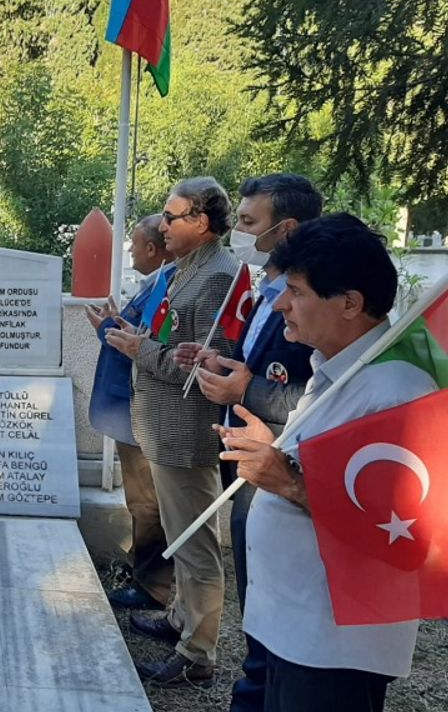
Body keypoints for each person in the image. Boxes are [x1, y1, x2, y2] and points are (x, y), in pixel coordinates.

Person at [218, 214, 432, 712]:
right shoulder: (332, 371)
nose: (280, 302)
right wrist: (274, 451)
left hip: (333, 643)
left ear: (350, 303)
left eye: (295, 290)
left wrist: (286, 480)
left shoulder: (397, 391)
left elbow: (399, 528)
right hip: (288, 624)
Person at [175, 172, 322, 711]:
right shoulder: (273, 286)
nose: (238, 233)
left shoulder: (317, 300)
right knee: (255, 595)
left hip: (285, 464)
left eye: (247, 223)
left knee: (273, 602)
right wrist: (227, 365)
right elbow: (262, 361)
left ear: (287, 228)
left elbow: (315, 396)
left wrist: (248, 387)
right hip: (250, 454)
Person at [104, 176, 240, 687]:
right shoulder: (186, 270)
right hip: (161, 426)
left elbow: (212, 367)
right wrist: (141, 340)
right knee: (182, 540)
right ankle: (181, 620)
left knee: (197, 547)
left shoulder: (217, 278)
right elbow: (175, 340)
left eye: (171, 216)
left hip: (185, 433)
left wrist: (141, 352)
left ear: (202, 223)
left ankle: (197, 655)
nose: (161, 225)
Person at [86, 214, 175, 611]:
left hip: (139, 409)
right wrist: (112, 325)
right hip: (128, 407)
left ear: (152, 249)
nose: (132, 251)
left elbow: (146, 345)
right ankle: (144, 571)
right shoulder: (155, 284)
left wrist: (110, 329)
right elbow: (138, 334)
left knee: (146, 501)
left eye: (136, 244)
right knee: (141, 499)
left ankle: (153, 586)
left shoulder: (167, 285)